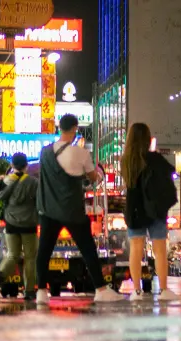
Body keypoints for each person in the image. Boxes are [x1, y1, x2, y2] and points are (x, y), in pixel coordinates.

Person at [35, 114, 125, 304]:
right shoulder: (81, 153)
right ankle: (100, 289)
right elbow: (94, 178)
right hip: (72, 211)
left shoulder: (44, 153)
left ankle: (41, 292)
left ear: (59, 128)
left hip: (49, 211)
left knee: (44, 251)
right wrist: (93, 174)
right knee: (88, 250)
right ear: (75, 129)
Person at [121, 123, 180, 302]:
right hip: (155, 208)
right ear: (148, 139)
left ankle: (136, 291)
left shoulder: (127, 160)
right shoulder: (154, 158)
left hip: (134, 207)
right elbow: (171, 172)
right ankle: (163, 289)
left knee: (136, 250)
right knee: (160, 249)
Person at [0, 153, 40, 300]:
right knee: (30, 258)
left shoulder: (6, 180)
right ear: (26, 166)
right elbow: (40, 201)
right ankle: (29, 290)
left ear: (12, 165)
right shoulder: (33, 182)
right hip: (29, 223)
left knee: (12, 254)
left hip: (11, 222)